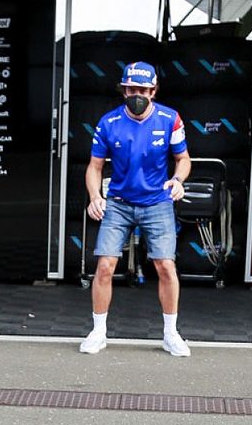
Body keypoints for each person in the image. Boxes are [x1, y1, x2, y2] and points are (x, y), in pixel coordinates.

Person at [80, 61, 192, 357]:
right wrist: (94, 196)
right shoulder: (108, 122)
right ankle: (98, 332)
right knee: (105, 266)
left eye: (142, 90)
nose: (136, 95)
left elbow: (183, 159)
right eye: (131, 89)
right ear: (123, 89)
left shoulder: (170, 119)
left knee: (166, 266)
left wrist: (178, 180)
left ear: (153, 91)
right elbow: (94, 166)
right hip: (118, 203)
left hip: (157, 202)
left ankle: (171, 334)